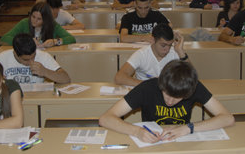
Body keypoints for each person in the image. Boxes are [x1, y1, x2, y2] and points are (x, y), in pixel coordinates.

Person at [101, 60, 235, 143]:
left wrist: (189, 128)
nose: (170, 101)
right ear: (161, 84)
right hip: (152, 143)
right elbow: (106, 118)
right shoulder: (147, 87)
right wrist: (137, 131)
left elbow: (227, 118)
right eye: (166, 94)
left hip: (182, 141)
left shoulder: (193, 86)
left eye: (177, 98)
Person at [115, 24, 188, 86]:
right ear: (153, 40)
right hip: (145, 93)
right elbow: (119, 77)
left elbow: (191, 77)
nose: (167, 49)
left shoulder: (174, 52)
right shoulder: (142, 54)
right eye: (163, 45)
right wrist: (149, 85)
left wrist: (181, 52)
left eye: (170, 45)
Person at [0, 33, 70, 84]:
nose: (31, 62)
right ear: (15, 53)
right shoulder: (0, 59)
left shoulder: (43, 56)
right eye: (26, 60)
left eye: (33, 57)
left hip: (36, 99)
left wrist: (45, 72)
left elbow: (66, 79)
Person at [0, 2, 76, 47]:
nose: (34, 20)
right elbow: (4, 39)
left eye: (39, 19)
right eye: (33, 17)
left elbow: (71, 39)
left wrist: (55, 41)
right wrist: (25, 41)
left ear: (45, 20)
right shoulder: (24, 23)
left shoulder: (53, 25)